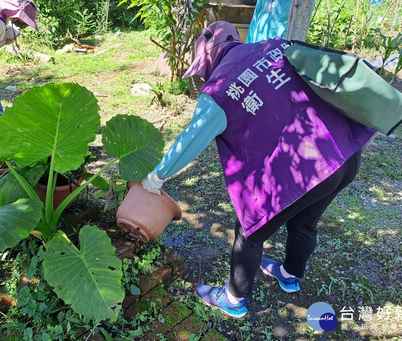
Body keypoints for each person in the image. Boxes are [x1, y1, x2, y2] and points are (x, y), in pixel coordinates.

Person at [142, 21, 376, 318]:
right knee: (305, 223)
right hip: (345, 154)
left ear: (208, 59)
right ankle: (290, 275)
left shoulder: (220, 89)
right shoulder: (277, 46)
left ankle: (233, 299)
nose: (204, 77)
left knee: (249, 233)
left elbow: (191, 140)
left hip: (307, 171)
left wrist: (156, 177)